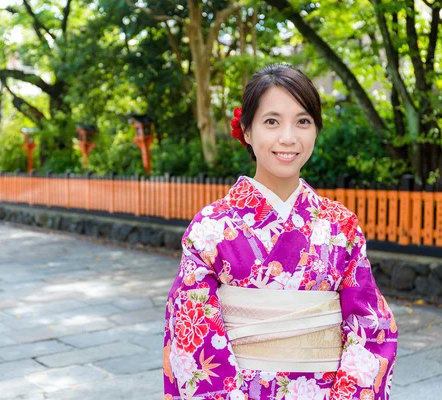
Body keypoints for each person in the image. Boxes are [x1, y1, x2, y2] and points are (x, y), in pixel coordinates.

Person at [163, 64, 397, 400]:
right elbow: (191, 333)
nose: (288, 137)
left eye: (303, 121)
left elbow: (372, 328)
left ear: (316, 129)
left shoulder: (340, 225)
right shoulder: (211, 227)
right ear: (246, 130)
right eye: (271, 121)